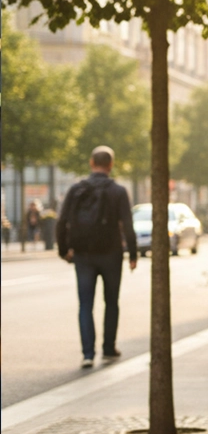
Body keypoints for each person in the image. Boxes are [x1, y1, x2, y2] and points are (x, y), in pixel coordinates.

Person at [56, 146, 137, 369]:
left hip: (83, 254)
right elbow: (128, 224)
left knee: (85, 305)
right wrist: (132, 253)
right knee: (111, 302)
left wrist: (64, 250)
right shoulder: (118, 191)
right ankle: (109, 348)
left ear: (92, 163)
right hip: (111, 253)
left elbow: (62, 221)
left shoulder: (76, 190)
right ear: (111, 165)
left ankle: (88, 354)